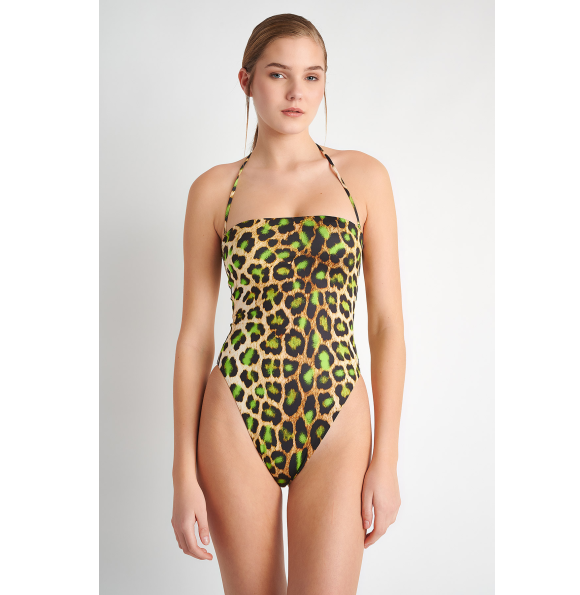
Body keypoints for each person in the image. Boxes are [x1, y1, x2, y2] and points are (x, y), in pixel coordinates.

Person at [171, 13, 405, 595]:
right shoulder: (213, 190)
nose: (297, 92)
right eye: (278, 74)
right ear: (247, 80)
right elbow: (194, 335)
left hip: (337, 410)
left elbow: (386, 324)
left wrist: (387, 461)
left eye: (312, 76)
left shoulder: (363, 177)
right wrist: (182, 474)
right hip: (237, 411)